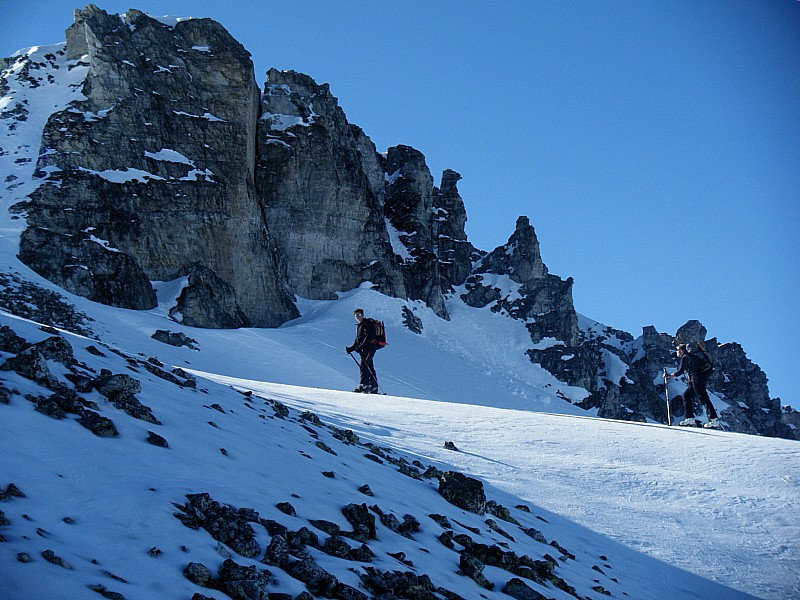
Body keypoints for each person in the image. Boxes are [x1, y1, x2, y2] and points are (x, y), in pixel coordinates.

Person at [667, 343, 720, 428]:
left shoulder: (685, 357)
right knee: (686, 395)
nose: (677, 352)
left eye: (677, 350)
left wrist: (670, 376)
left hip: (696, 379)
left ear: (681, 351)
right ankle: (690, 418)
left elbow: (681, 371)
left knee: (703, 397)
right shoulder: (690, 357)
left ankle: (714, 419)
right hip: (696, 379)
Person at [345, 308, 379, 393]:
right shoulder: (360, 326)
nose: (357, 317)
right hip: (365, 349)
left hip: (370, 347)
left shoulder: (368, 323)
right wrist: (351, 349)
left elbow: (369, 336)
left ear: (363, 315)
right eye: (356, 315)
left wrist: (360, 346)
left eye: (359, 315)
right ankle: (373, 386)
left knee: (364, 365)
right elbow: (358, 340)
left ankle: (364, 385)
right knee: (369, 365)